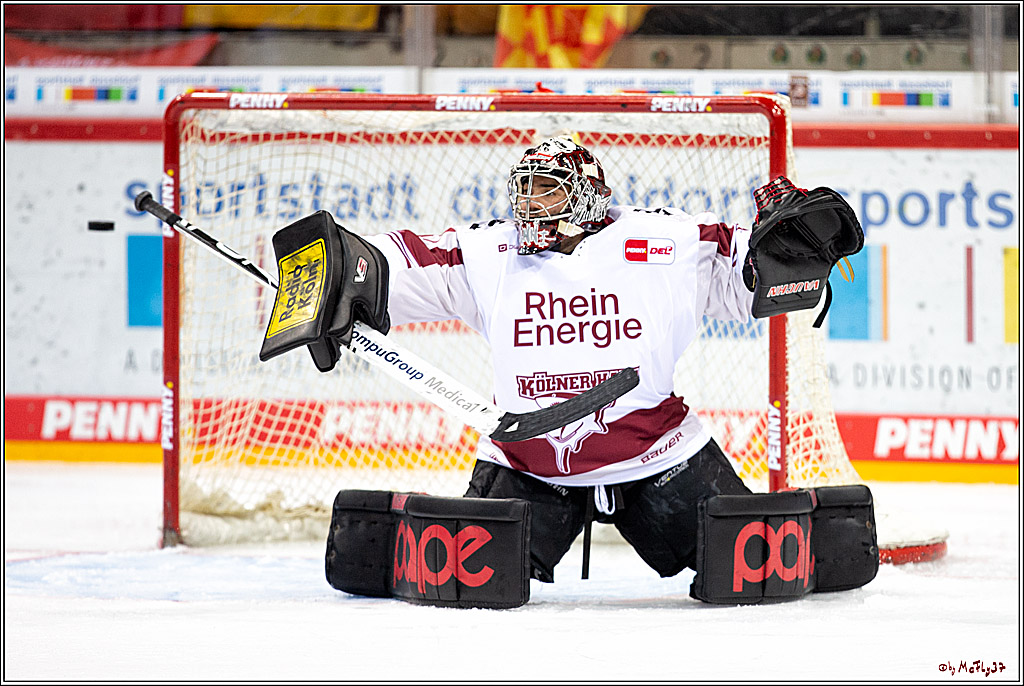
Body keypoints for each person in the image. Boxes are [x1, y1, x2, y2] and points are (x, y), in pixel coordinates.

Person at [362, 135, 756, 584]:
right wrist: (347, 270)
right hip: (527, 466)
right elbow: (405, 263)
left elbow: (744, 272)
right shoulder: (490, 251)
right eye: (524, 189)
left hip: (659, 454)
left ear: (588, 196)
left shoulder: (667, 239)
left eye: (547, 188)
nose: (530, 203)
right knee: (463, 583)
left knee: (750, 568)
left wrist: (783, 249)